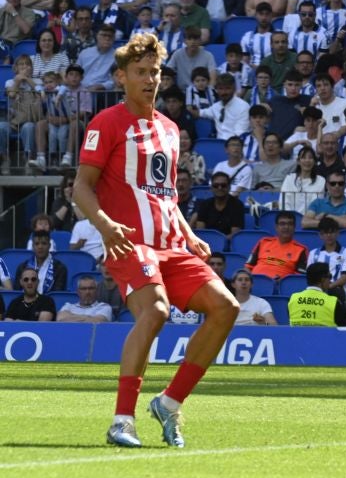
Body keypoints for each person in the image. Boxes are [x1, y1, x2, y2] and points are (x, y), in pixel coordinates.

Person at [71, 33, 239, 449]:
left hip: (172, 244)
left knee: (225, 307)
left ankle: (168, 403)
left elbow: (164, 194)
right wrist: (106, 226)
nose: (150, 80)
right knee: (157, 311)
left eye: (156, 72)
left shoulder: (168, 129)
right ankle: (122, 420)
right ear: (121, 77)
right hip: (130, 243)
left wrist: (188, 233)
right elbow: (81, 188)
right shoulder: (106, 123)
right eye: (141, 72)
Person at [288, 261, 345, 326]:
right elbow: (343, 331)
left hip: (297, 336)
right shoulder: (334, 303)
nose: (330, 281)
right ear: (323, 279)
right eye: (330, 276)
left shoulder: (292, 299)